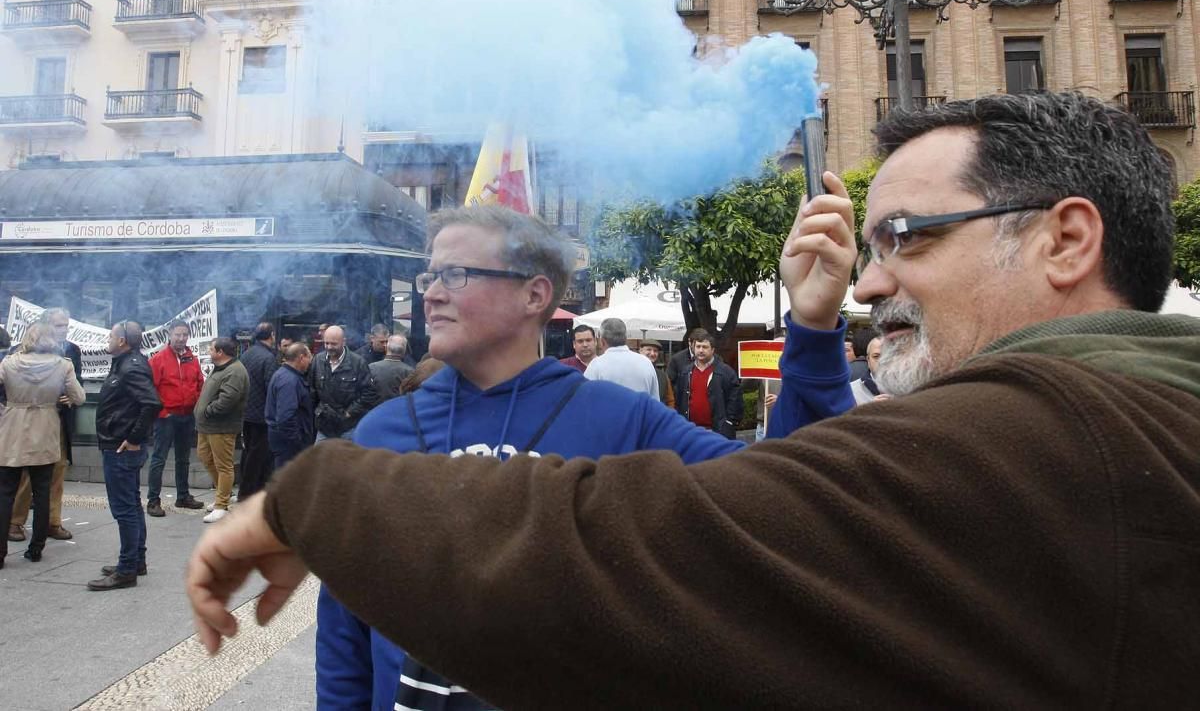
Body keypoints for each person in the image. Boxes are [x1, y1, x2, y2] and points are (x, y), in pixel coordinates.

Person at [187, 92, 1200, 707]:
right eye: (428, 275)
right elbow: (350, 632)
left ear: (1069, 240)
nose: (871, 281)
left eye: (909, 238)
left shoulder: (1035, 443)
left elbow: (766, 518)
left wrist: (318, 497)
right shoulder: (1135, 427)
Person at [309, 206, 767, 711]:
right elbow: (344, 630)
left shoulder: (619, 419)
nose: (432, 293)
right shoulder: (381, 432)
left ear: (534, 294)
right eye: (430, 276)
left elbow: (777, 494)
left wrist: (812, 335)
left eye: (456, 274)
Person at [0, 324, 85, 569]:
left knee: (5, 493)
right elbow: (79, 397)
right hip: (46, 430)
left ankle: (1, 552)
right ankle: (36, 549)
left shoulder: (9, 363)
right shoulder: (63, 365)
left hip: (12, 430)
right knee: (43, 490)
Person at [92, 321, 160, 591]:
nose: (107, 339)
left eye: (111, 336)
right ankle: (135, 561)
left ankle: (127, 569)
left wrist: (133, 439)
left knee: (125, 509)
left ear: (122, 341)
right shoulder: (124, 362)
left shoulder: (131, 366)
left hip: (120, 448)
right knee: (131, 505)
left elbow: (152, 403)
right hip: (117, 445)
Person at [146, 320, 205, 516]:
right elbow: (150, 389)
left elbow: (199, 383)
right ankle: (153, 500)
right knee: (159, 459)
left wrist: (194, 403)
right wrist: (162, 412)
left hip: (186, 415)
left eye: (185, 335)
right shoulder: (158, 359)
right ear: (170, 334)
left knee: (184, 459)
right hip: (166, 417)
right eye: (178, 334)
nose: (181, 338)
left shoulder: (192, 359)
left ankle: (183, 496)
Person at [194, 337, 249, 524]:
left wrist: (208, 411)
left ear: (220, 353)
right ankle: (222, 494)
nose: (208, 352)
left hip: (221, 427)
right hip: (206, 426)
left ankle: (221, 505)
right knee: (205, 457)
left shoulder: (235, 371)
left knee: (223, 464)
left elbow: (227, 400)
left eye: (211, 349)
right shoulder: (221, 368)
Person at [309, 325, 378, 440]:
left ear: (344, 342)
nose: (329, 347)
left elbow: (369, 394)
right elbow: (312, 391)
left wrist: (349, 413)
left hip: (349, 428)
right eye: (326, 343)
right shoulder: (317, 360)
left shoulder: (358, 363)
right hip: (324, 428)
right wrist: (318, 411)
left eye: (333, 344)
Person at [672, 330, 743, 438]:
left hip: (717, 432)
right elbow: (679, 400)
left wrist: (728, 423)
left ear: (712, 350)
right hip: (691, 431)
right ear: (693, 348)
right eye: (698, 347)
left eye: (705, 347)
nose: (701, 350)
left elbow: (735, 401)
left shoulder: (725, 372)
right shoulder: (685, 372)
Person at [238, 322, 278, 500]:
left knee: (249, 453)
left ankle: (246, 491)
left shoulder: (246, 354)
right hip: (262, 416)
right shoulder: (268, 358)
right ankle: (250, 494)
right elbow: (271, 388)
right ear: (271, 336)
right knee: (258, 456)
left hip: (247, 414)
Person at [265, 342, 315, 470]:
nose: (310, 362)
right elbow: (285, 417)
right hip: (289, 444)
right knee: (289, 481)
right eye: (309, 357)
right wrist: (298, 442)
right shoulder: (289, 381)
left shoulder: (284, 374)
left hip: (284, 440)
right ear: (301, 357)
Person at [583, 318, 659, 398]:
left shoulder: (596, 365)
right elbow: (655, 401)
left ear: (602, 341)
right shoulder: (646, 363)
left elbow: (584, 399)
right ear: (625, 338)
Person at [368, 335, 413, 402]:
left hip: (375, 410)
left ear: (387, 348)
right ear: (404, 350)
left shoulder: (371, 368)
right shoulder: (410, 372)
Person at [849, 335, 889, 405]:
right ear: (868, 359)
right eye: (876, 356)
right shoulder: (851, 391)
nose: (882, 361)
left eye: (888, 356)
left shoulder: (909, 390)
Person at [638, 339, 674, 408]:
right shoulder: (633, 371)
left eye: (655, 351)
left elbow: (670, 400)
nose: (652, 353)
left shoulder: (663, 376)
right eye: (649, 349)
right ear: (640, 351)